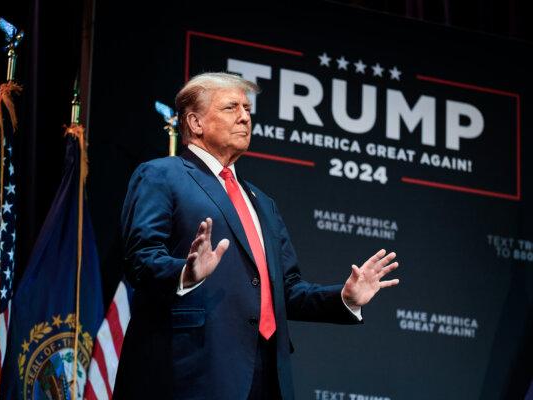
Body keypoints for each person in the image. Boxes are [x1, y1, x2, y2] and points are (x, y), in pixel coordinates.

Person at [114, 72, 399, 400]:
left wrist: (344, 298)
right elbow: (141, 258)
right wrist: (186, 272)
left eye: (248, 109)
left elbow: (287, 290)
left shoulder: (262, 203)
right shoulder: (162, 175)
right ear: (194, 122)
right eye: (231, 107)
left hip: (266, 376)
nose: (245, 117)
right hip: (191, 370)